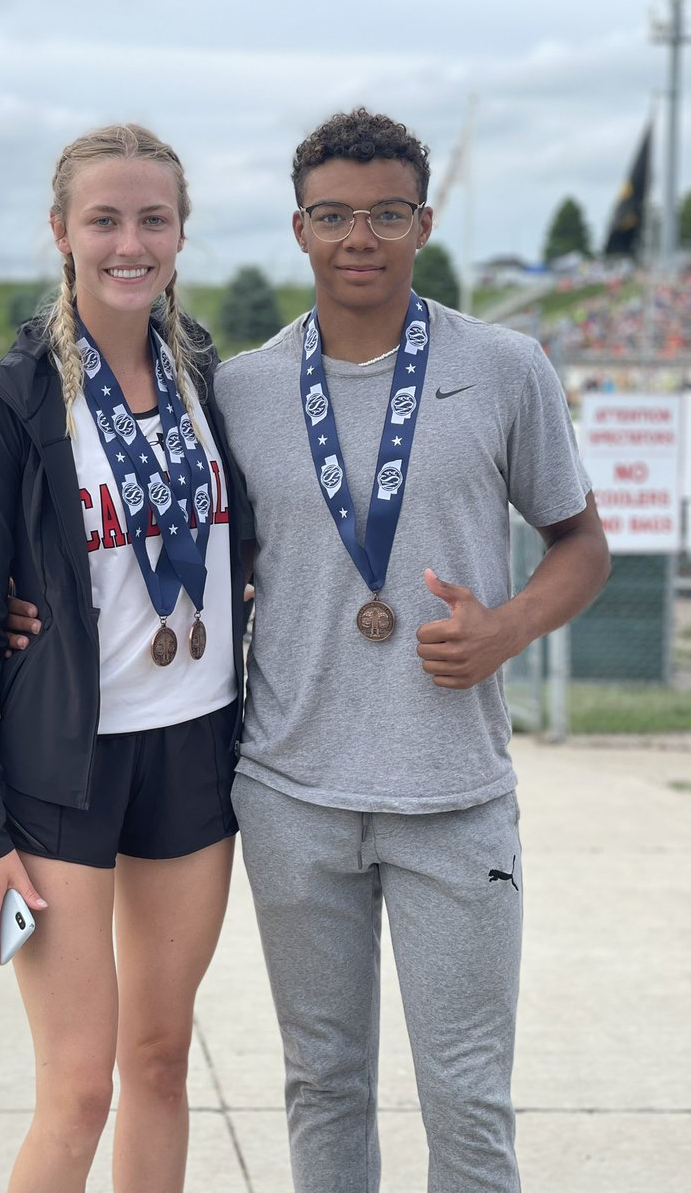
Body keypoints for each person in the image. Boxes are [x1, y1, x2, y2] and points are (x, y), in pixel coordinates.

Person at [210, 109, 611, 1193]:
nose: (360, 236)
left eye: (387, 212)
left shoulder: (505, 365)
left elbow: (581, 542)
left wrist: (509, 629)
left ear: (423, 222)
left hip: (453, 792)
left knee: (468, 1099)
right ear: (299, 228)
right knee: (324, 1086)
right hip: (292, 792)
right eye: (334, 214)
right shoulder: (242, 389)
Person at [0, 124, 245, 1193]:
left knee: (160, 1062)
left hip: (195, 745)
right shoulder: (14, 398)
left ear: (180, 234)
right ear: (61, 233)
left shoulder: (206, 375)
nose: (129, 241)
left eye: (152, 218)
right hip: (63, 767)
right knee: (78, 1089)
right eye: (104, 219)